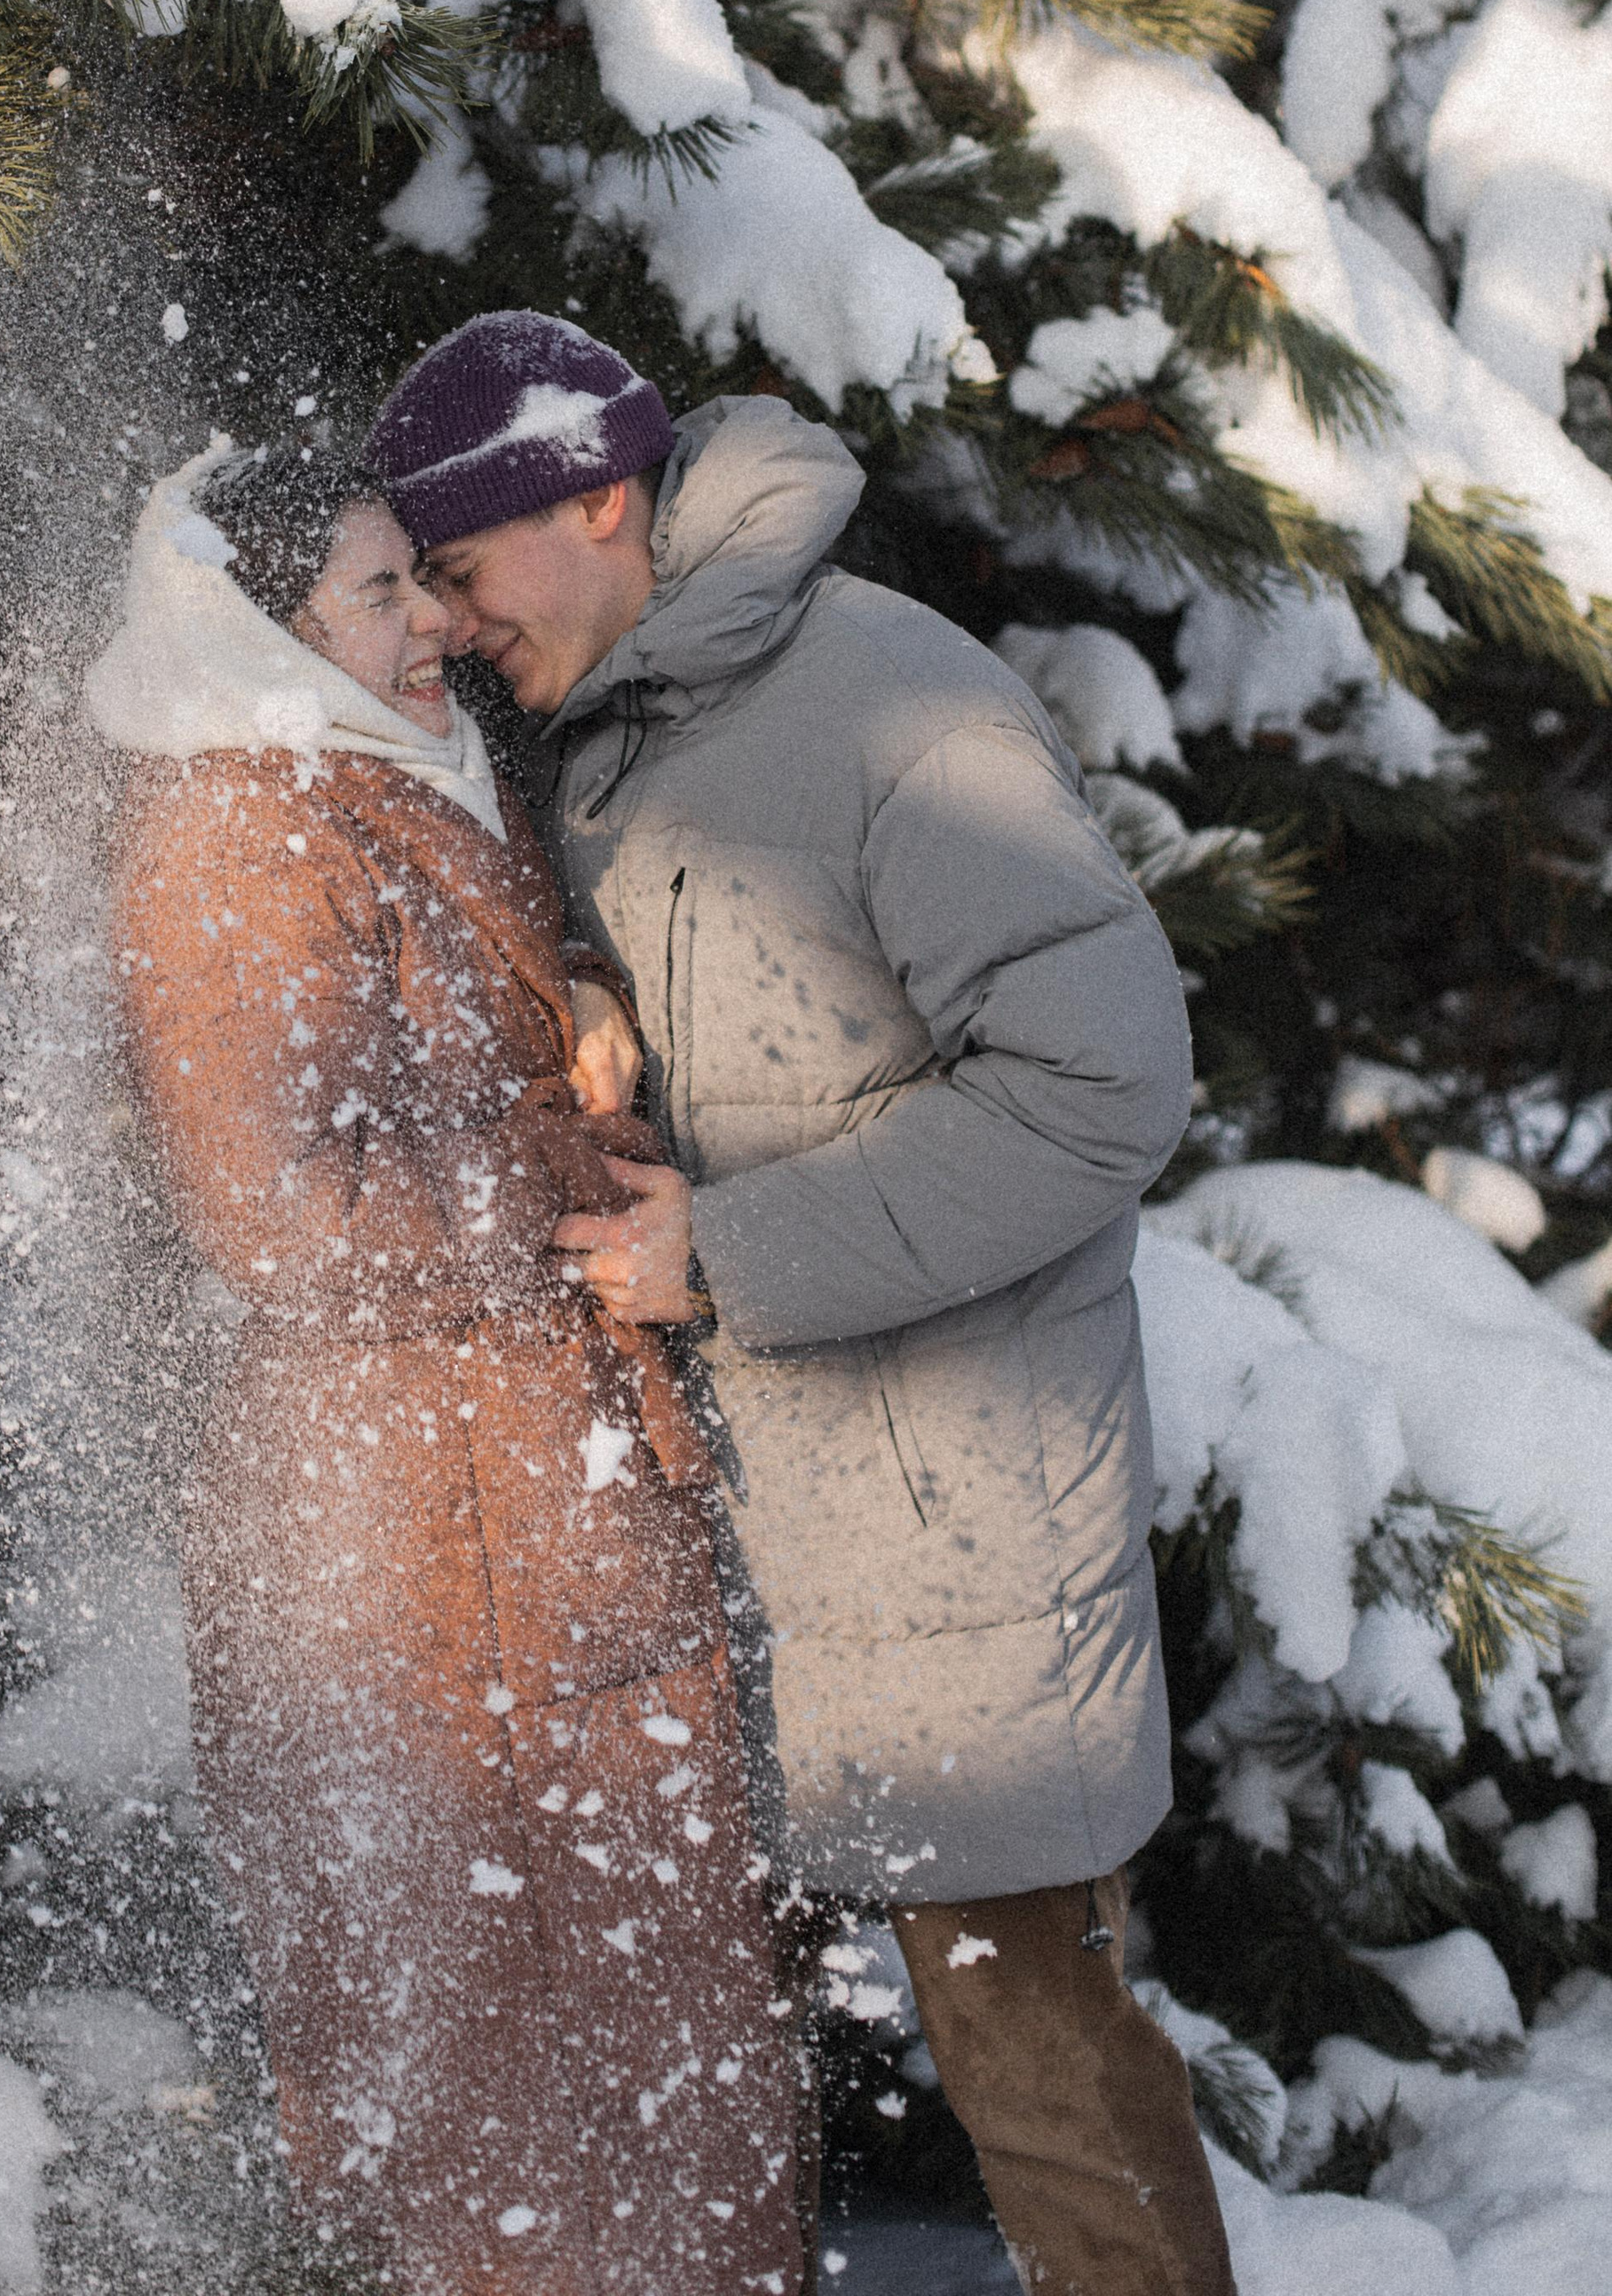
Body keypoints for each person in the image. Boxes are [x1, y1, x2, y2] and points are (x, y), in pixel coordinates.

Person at [367, 314, 1238, 2296]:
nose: (449, 625)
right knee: (702, 2074)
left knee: (1037, 2066)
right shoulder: (617, 725)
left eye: (463, 568)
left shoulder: (890, 708)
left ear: (597, 500)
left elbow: (1100, 1090)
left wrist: (732, 1252)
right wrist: (588, 998)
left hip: (955, 1549)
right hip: (731, 1539)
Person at [89, 440, 804, 2296]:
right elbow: (281, 1219)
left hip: (518, 1514)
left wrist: (576, 993)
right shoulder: (239, 830)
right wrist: (567, 1160)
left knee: (629, 2029)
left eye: (423, 578)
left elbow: (440, 1016)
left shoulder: (387, 777)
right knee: (508, 2064)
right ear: (259, 630)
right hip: (416, 1552)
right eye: (377, 592)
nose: (436, 624)